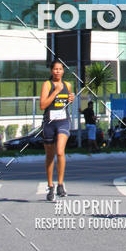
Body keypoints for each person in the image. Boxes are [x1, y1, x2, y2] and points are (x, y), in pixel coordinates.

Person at [40, 60, 75, 201]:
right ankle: (50, 185)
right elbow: (43, 105)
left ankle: (60, 184)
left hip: (63, 121)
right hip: (49, 122)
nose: (58, 71)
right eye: (55, 69)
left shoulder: (68, 85)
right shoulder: (47, 85)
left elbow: (69, 100)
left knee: (60, 151)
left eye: (60, 69)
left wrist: (71, 98)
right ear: (51, 71)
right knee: (50, 155)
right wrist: (55, 91)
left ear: (63, 71)